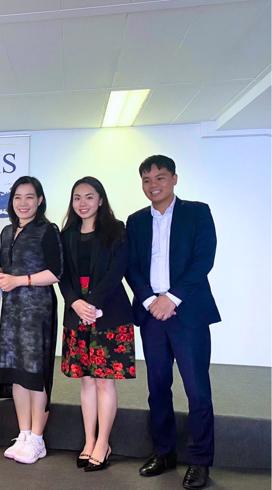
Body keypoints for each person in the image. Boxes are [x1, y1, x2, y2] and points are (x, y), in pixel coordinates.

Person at [126, 155, 220, 490]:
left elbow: (203, 260)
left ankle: (200, 460)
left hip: (188, 313)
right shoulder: (136, 221)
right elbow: (130, 266)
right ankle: (164, 452)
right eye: (147, 180)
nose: (154, 185)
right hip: (152, 314)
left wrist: (172, 297)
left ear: (174, 179)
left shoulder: (197, 212)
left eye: (161, 178)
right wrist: (150, 300)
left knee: (197, 390)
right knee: (157, 387)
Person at [59, 176, 135, 472]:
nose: (83, 203)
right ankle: (89, 440)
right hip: (77, 312)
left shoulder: (116, 230)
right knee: (86, 380)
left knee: (104, 380)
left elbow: (117, 271)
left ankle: (103, 442)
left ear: (101, 200)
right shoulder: (67, 234)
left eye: (89, 197)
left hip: (109, 314)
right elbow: (62, 275)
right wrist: (75, 302)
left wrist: (91, 304)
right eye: (77, 197)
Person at [0, 176, 63, 465]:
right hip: (11, 311)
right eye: (18, 197)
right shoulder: (7, 231)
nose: (23, 203)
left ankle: (37, 437)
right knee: (17, 374)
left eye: (29, 197)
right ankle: (23, 433)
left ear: (40, 200)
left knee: (35, 375)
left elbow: (56, 272)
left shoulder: (47, 230)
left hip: (37, 311)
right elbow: (1, 264)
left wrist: (18, 280)